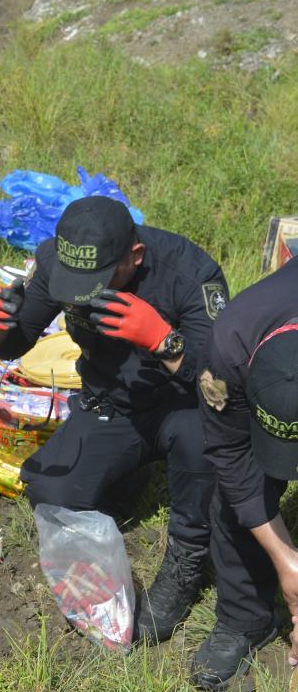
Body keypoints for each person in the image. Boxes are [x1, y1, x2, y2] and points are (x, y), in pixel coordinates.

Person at [0, 195, 228, 644]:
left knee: (200, 435)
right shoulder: (60, 264)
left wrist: (161, 339)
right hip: (111, 405)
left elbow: (222, 383)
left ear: (133, 256)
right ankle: (128, 474)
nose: (85, 290)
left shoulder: (191, 274)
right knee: (49, 491)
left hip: (180, 406)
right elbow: (15, 341)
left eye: (99, 279)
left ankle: (187, 559)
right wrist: (0, 325)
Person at [189, 259, 298, 691]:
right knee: (236, 498)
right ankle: (245, 618)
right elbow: (230, 455)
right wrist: (286, 559)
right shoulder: (228, 346)